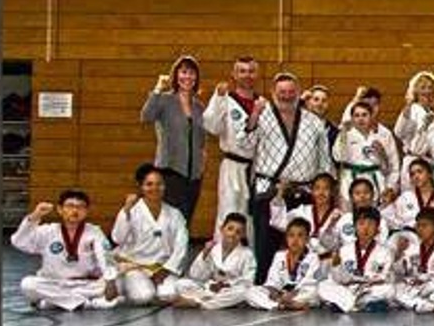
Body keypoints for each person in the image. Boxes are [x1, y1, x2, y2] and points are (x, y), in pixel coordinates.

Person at [234, 72, 333, 277]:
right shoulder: (262, 116)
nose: (286, 96)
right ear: (273, 92)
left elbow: (324, 160)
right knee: (266, 245)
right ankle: (263, 283)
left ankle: (300, 283)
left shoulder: (314, 121)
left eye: (291, 92)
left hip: (303, 192)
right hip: (269, 189)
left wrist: (325, 191)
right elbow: (244, 145)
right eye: (282, 92)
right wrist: (254, 115)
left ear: (299, 93)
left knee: (302, 244)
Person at [10, 191, 120, 311]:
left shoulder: (94, 232)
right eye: (70, 206)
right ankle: (84, 304)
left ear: (86, 211)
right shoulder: (48, 231)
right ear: (60, 209)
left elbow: (105, 256)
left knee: (118, 283)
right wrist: (35, 216)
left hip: (84, 284)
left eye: (81, 207)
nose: (75, 210)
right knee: (28, 284)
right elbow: (18, 241)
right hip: (53, 284)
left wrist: (110, 279)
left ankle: (53, 303)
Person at [139, 55, 210, 222]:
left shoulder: (199, 107)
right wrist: (158, 89)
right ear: (176, 75)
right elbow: (146, 116)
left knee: (185, 221)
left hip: (193, 176)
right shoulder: (165, 100)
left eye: (191, 73)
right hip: (169, 172)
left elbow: (202, 140)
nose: (187, 77)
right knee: (167, 221)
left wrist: (201, 165)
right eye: (184, 72)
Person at [108, 165, 190, 306]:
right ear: (141, 187)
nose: (155, 188)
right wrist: (126, 210)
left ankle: (151, 288)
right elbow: (117, 238)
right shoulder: (131, 211)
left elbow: (181, 245)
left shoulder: (174, 214)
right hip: (135, 266)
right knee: (143, 296)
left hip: (161, 267)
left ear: (165, 186)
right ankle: (124, 284)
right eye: (149, 184)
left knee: (168, 294)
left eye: (159, 184)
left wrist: (166, 269)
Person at [201, 56, 263, 237]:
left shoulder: (263, 104)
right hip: (232, 166)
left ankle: (250, 254)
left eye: (251, 71)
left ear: (257, 74)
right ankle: (224, 253)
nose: (247, 75)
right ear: (234, 74)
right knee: (228, 212)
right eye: (242, 71)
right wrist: (218, 99)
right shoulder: (226, 100)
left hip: (257, 168)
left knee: (253, 217)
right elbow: (212, 127)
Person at [316, 207, 396, 314]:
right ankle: (359, 304)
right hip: (348, 288)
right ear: (354, 227)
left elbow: (382, 277)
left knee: (389, 289)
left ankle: (347, 304)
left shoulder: (385, 252)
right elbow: (338, 278)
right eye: (361, 224)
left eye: (371, 224)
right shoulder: (344, 250)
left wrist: (363, 282)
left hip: (368, 289)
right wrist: (336, 266)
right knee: (323, 285)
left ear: (378, 229)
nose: (366, 228)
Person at [171, 212, 257, 310]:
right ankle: (214, 301)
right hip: (210, 289)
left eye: (238, 232)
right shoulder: (213, 248)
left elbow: (248, 281)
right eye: (230, 229)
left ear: (243, 235)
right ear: (222, 229)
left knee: (244, 292)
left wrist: (227, 285)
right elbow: (196, 275)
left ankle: (198, 303)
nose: (233, 234)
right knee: (181, 284)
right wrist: (205, 253)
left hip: (231, 291)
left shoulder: (247, 254)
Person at [246, 218, 325, 311]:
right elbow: (272, 282)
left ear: (307, 239)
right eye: (291, 235)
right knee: (251, 291)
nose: (295, 240)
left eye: (300, 235)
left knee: (316, 292)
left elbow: (310, 284)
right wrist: (277, 294)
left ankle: (283, 304)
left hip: (300, 294)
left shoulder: (313, 258)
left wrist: (292, 294)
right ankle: (278, 305)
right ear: (286, 238)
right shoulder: (279, 256)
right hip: (281, 296)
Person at [391, 208, 434, 313]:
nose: (420, 229)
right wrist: (399, 252)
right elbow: (401, 272)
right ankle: (430, 306)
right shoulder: (413, 248)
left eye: (424, 226)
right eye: (418, 225)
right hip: (417, 288)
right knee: (394, 289)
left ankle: (417, 303)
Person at [331, 99, 401, 199]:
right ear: (352, 119)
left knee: (376, 206)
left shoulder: (383, 135)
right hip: (351, 179)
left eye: (364, 115)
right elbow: (338, 158)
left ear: (371, 117)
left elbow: (392, 165)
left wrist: (390, 186)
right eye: (357, 115)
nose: (361, 119)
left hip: (376, 179)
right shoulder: (346, 135)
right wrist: (343, 135)